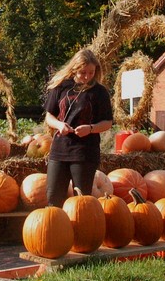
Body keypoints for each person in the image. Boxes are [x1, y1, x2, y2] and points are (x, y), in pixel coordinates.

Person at [43, 48, 113, 207]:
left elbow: (107, 122)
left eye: (91, 72)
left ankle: (79, 231)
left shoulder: (100, 92)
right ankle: (55, 229)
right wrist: (60, 125)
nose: (87, 76)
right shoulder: (61, 86)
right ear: (74, 69)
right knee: (53, 198)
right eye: (83, 72)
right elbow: (49, 117)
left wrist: (90, 128)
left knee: (81, 202)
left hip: (85, 153)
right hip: (60, 150)